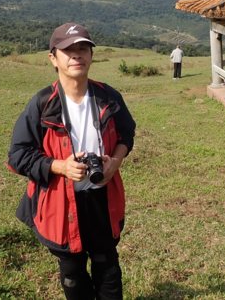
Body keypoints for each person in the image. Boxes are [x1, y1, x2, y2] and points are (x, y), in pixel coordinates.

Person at [8, 22, 136, 300]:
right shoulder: (43, 103)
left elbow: (127, 133)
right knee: (72, 273)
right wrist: (60, 167)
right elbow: (18, 155)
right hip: (60, 202)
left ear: (91, 56)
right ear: (53, 58)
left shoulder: (108, 97)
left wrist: (115, 161)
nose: (77, 55)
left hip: (102, 197)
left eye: (83, 49)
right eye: (68, 50)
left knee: (108, 268)